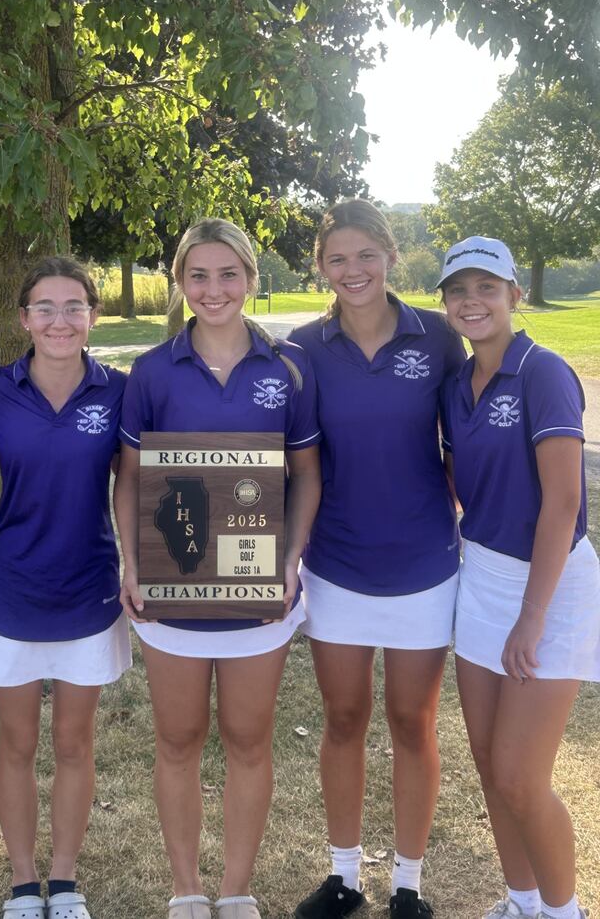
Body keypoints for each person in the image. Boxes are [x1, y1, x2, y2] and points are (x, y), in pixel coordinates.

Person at [113, 218, 321, 919]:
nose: (213, 289)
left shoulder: (288, 366)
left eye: (228, 273)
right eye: (197, 275)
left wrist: (291, 558)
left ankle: (235, 889)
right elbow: (129, 476)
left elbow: (307, 474)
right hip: (173, 591)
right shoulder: (150, 370)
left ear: (251, 279)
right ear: (180, 283)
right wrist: (131, 560)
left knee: (247, 738)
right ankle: (186, 890)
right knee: (176, 739)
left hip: (260, 592)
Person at [288, 200, 466, 919]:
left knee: (411, 719)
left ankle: (408, 884)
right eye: (337, 258)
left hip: (424, 561)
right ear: (321, 266)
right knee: (343, 715)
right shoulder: (302, 347)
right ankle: (342, 877)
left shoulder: (440, 336)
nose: (352, 270)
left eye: (365, 254)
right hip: (337, 564)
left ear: (391, 254)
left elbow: (468, 442)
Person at [438, 236, 599, 919]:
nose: (472, 301)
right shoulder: (456, 384)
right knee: (487, 763)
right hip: (483, 578)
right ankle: (522, 901)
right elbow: (457, 479)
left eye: (487, 287)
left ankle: (564, 913)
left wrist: (532, 616)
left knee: (520, 776)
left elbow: (562, 501)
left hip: (552, 586)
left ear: (514, 294)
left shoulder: (544, 371)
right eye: (458, 290)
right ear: (445, 303)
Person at [0, 256, 130, 919]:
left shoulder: (120, 391)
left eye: (74, 307)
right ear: (23, 317)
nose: (60, 320)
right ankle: (21, 880)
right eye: (46, 307)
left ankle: (63, 880)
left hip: (90, 592)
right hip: (11, 591)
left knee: (73, 743)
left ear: (93, 315)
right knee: (16, 743)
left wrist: (141, 567)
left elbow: (141, 483)